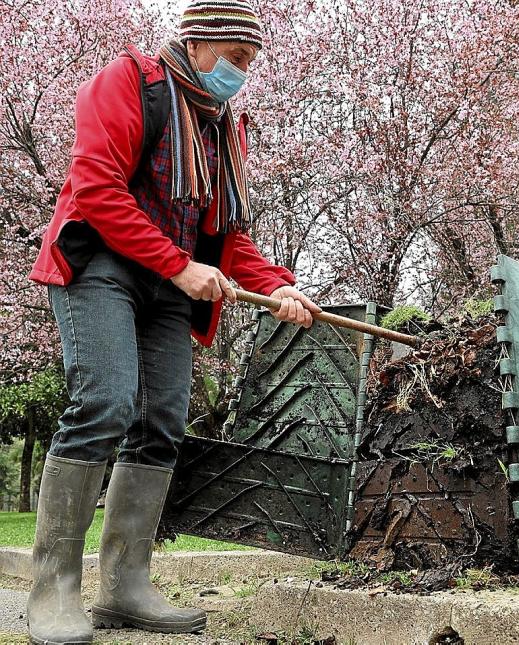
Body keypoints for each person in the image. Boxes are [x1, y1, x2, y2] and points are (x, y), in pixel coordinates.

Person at [26, 1, 320, 642]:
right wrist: (177, 264)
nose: (241, 74)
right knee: (103, 403)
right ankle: (52, 592)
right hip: (100, 265)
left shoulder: (222, 129)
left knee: (162, 423)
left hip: (169, 284)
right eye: (235, 59)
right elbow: (96, 189)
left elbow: (227, 236)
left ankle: (126, 587)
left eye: (250, 64)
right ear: (200, 41)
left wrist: (283, 287)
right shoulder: (129, 83)